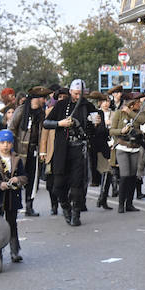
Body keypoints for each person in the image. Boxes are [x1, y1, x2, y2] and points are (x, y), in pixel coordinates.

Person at [43, 82, 91, 226]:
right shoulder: (61, 105)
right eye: (75, 93)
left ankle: (76, 213)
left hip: (78, 149)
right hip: (62, 149)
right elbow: (46, 123)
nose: (78, 96)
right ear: (70, 91)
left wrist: (96, 123)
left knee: (77, 184)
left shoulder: (87, 106)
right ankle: (65, 207)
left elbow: (96, 128)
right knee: (58, 185)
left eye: (80, 93)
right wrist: (60, 124)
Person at [5, 87, 47, 216]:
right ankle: (13, 207)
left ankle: (29, 206)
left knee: (32, 179)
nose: (43, 100)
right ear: (35, 98)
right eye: (41, 98)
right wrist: (10, 148)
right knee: (17, 178)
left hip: (34, 150)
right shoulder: (21, 110)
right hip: (19, 150)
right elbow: (11, 128)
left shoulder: (41, 113)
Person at [109, 91, 145, 213]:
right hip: (122, 147)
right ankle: (121, 204)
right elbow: (111, 131)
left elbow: (143, 120)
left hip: (135, 147)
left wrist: (129, 112)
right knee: (125, 176)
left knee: (133, 176)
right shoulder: (118, 113)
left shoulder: (137, 113)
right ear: (133, 103)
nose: (140, 105)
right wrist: (122, 131)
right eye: (138, 103)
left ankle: (129, 204)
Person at [0, 130, 26, 263]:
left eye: (8, 142)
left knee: (12, 224)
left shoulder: (17, 159)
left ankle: (14, 251)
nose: (5, 145)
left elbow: (25, 177)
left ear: (12, 144)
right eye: (2, 142)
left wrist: (18, 179)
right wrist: (0, 184)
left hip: (13, 197)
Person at [87, 93, 114, 210]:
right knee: (106, 171)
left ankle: (103, 198)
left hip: (107, 145)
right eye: (104, 101)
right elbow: (97, 130)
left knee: (108, 171)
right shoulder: (97, 113)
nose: (106, 103)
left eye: (108, 101)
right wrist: (105, 127)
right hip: (98, 146)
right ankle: (102, 198)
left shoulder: (111, 112)